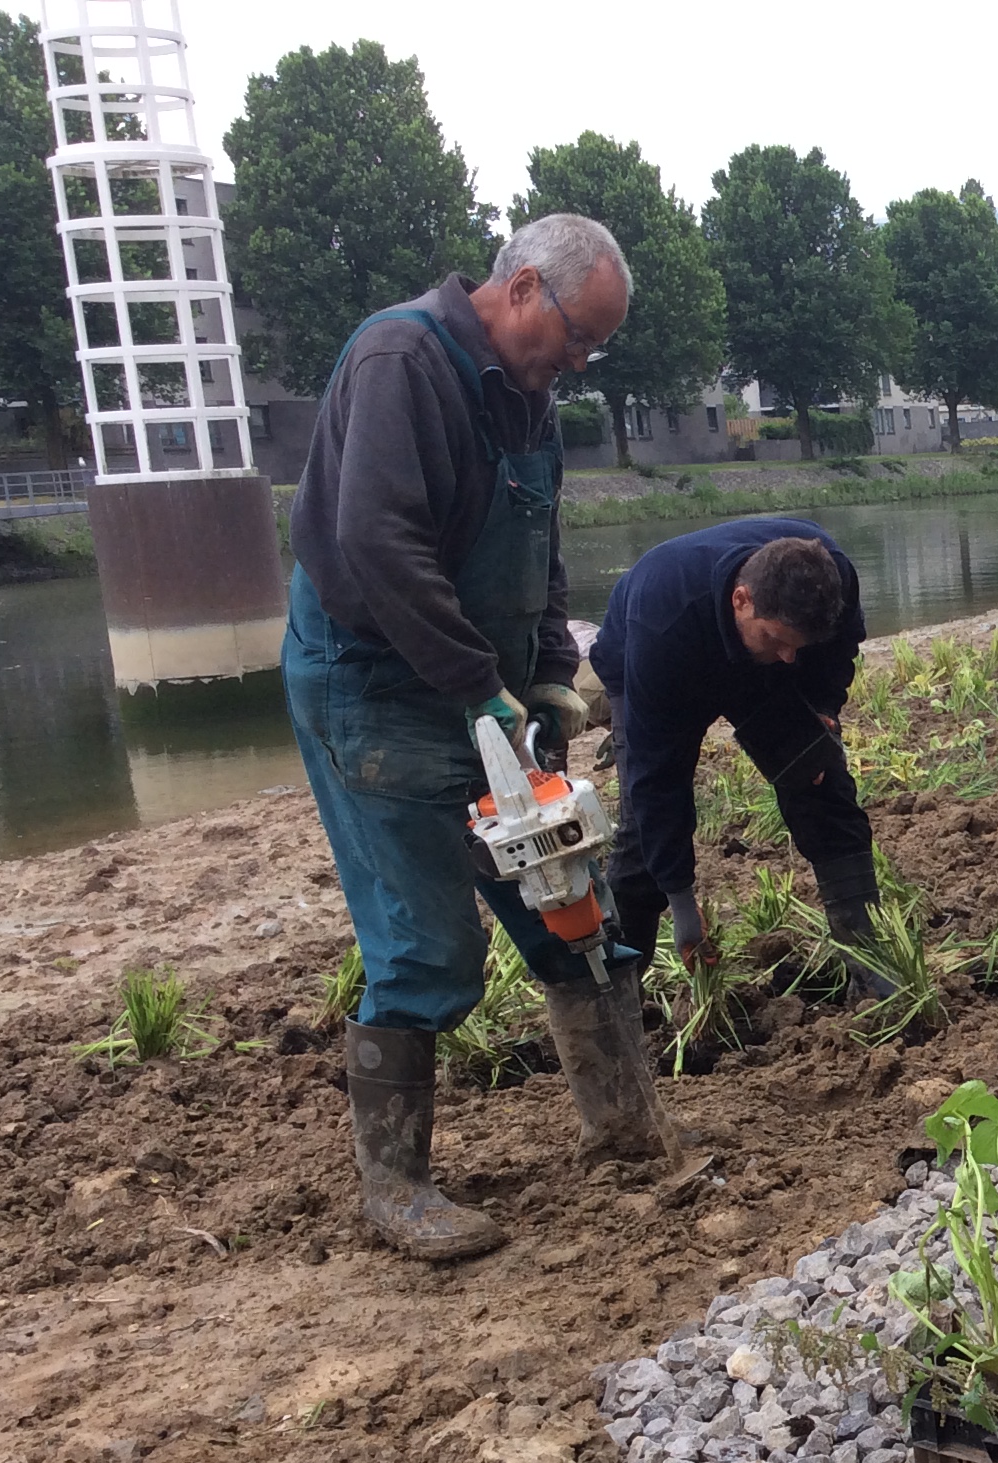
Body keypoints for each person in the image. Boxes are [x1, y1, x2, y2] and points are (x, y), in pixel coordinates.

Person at [284, 213, 677, 1264]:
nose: (579, 363)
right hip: (376, 688)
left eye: (595, 350)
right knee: (428, 947)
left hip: (487, 689)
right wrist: (474, 686)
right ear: (521, 290)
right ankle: (397, 1188)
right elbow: (376, 542)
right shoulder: (400, 359)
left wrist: (546, 668)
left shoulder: (530, 402)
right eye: (577, 338)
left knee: (569, 902)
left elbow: (539, 545)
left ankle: (624, 1126)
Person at [590, 517, 888, 994]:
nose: (790, 655)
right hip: (661, 658)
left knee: (821, 783)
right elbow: (655, 780)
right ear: (741, 599)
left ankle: (870, 962)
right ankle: (618, 992)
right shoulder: (661, 630)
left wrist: (824, 711)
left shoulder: (831, 581)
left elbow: (836, 652)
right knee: (643, 833)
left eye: (799, 645)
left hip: (754, 666)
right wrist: (684, 908)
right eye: (777, 639)